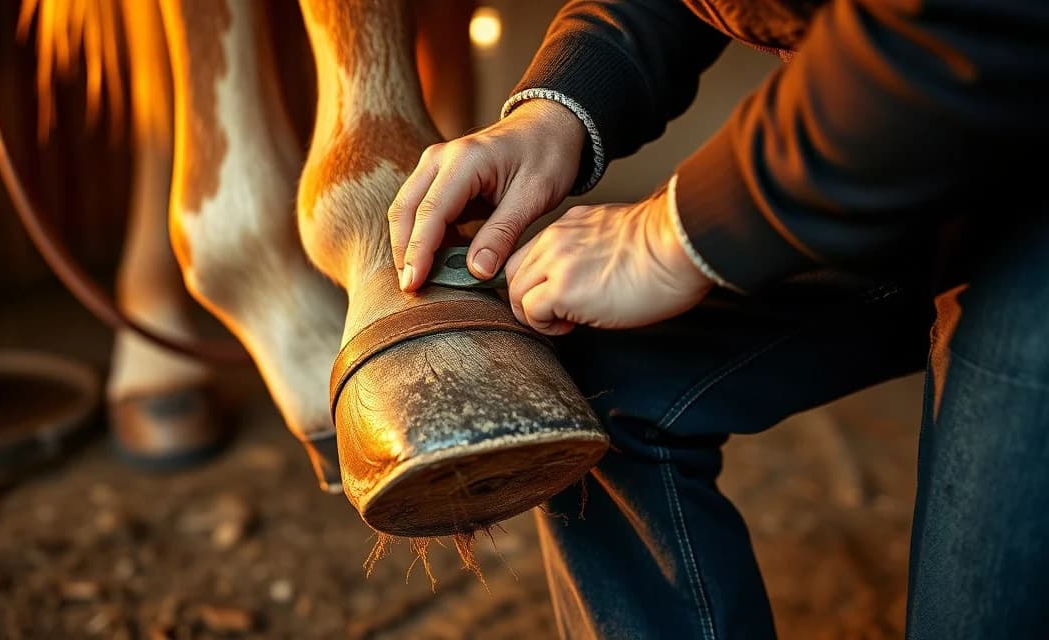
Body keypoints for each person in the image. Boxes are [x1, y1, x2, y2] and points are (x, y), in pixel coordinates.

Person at [387, 0, 1049, 638]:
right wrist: (555, 110)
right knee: (602, 376)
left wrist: (677, 233)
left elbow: (971, 17)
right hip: (910, 148)